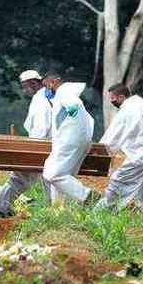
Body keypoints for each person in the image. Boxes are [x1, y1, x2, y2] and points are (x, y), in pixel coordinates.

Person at [0, 69, 54, 216]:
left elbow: (40, 128)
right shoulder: (44, 97)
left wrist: (32, 149)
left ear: (34, 83)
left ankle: (1, 206)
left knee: (23, 178)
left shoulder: (41, 100)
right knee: (25, 178)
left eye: (25, 86)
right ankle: (1, 206)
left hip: (40, 147)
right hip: (45, 147)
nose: (24, 90)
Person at [97, 83, 143, 210]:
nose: (112, 101)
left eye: (113, 98)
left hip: (141, 154)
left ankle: (103, 210)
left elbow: (112, 136)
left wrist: (99, 151)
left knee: (118, 180)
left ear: (122, 97)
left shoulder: (126, 110)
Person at [41, 72, 97, 204]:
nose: (46, 89)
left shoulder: (64, 92)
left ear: (55, 82)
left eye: (47, 85)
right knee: (63, 176)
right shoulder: (64, 94)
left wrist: (70, 129)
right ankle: (58, 211)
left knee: (52, 174)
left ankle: (88, 196)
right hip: (74, 140)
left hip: (68, 141)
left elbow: (73, 108)